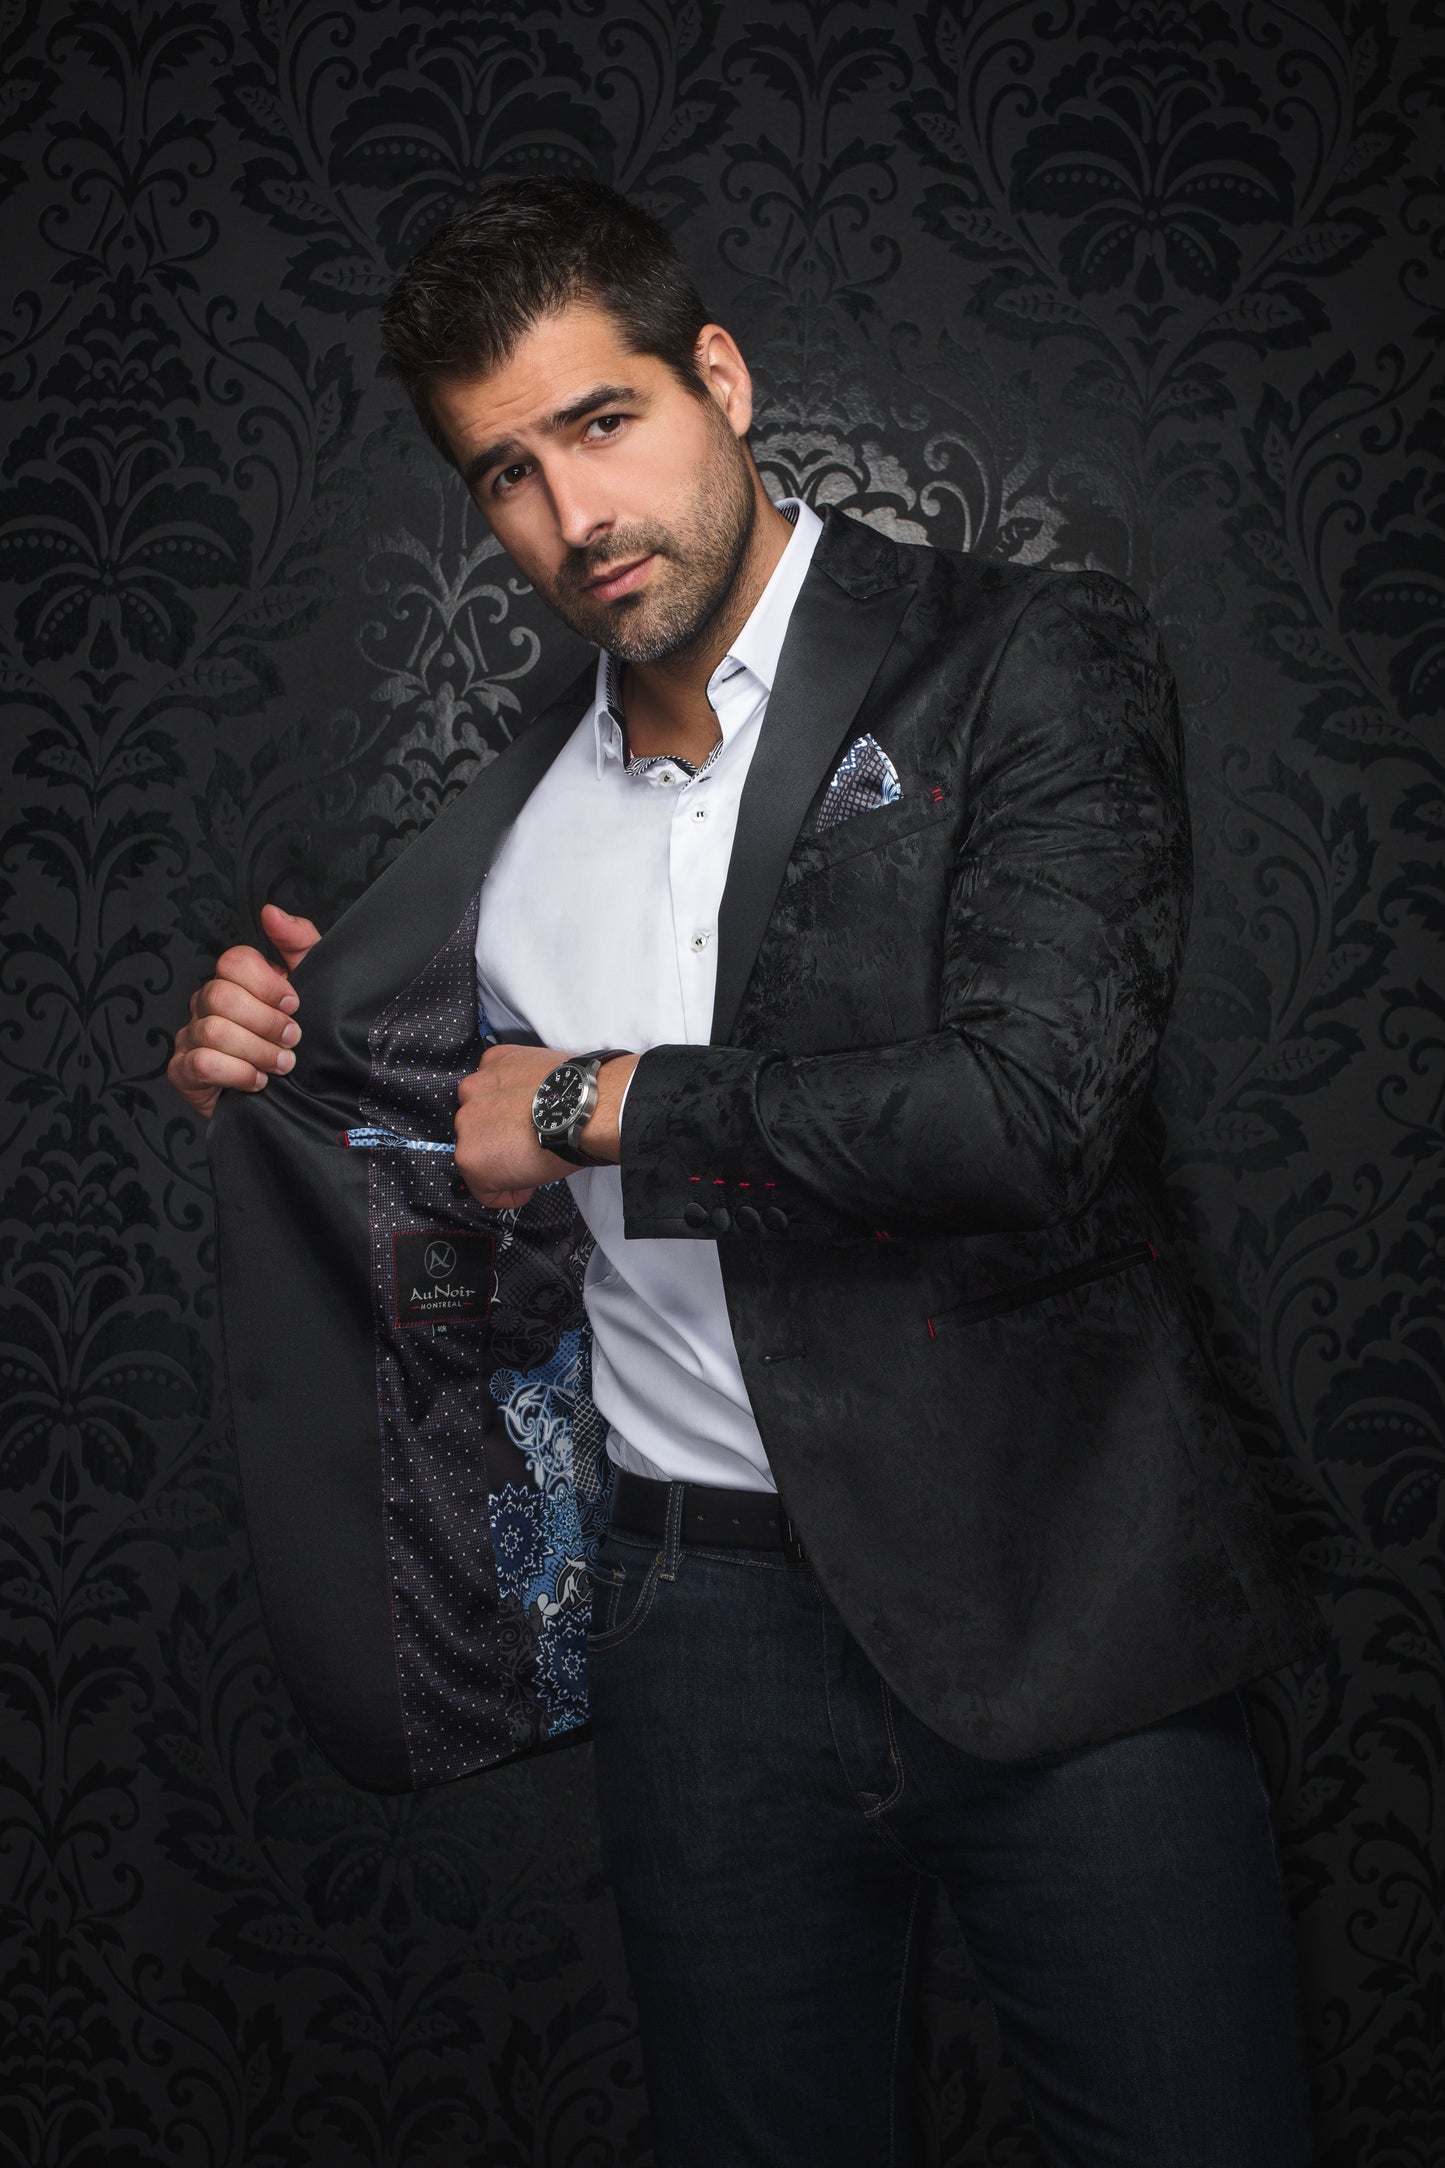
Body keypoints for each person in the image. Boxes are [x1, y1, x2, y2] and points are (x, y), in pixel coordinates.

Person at [168, 178, 1320, 2167]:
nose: (573, 515)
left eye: (602, 423)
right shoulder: (510, 813)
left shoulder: (1023, 654)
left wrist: (604, 1099)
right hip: (694, 1625)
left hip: (1061, 1592)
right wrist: (268, 1066)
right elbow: (438, 1152)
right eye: (506, 473)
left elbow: (1029, 1114)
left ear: (717, 377)